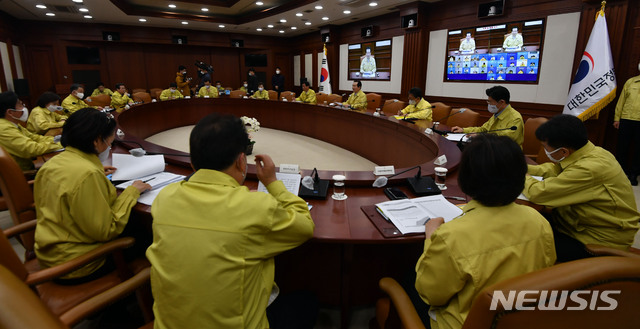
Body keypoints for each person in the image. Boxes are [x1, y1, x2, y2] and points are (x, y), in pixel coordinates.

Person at [146, 113, 315, 329]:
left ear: (192, 162)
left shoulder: (165, 199)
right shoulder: (255, 206)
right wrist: (273, 183)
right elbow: (305, 226)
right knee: (306, 302)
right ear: (241, 160)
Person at [413, 134, 555, 329]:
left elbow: (430, 295)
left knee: (406, 285)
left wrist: (431, 235)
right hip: (520, 319)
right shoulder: (539, 221)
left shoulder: (451, 236)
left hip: (464, 323)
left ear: (465, 179)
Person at [34, 108, 151, 282]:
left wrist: (95, 170)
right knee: (149, 235)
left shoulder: (54, 162)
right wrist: (132, 191)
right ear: (97, 141)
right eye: (110, 142)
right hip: (78, 264)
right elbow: (107, 230)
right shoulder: (87, 175)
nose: (110, 147)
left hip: (52, 250)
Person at [522, 115, 640, 262]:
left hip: (595, 240)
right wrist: (522, 168)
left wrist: (520, 176)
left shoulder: (590, 169)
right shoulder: (592, 152)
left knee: (525, 243)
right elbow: (555, 170)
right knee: (527, 222)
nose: (545, 151)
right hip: (575, 223)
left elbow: (538, 193)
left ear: (564, 151)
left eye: (546, 148)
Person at [0, 91, 62, 171]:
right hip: (25, 174)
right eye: (20, 104)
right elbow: (31, 149)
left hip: (29, 166)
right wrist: (59, 144)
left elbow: (34, 137)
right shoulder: (4, 128)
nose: (24, 107)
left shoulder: (12, 124)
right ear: (10, 112)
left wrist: (58, 139)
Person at [451, 86, 524, 147]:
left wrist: (481, 137)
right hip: (492, 149)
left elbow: (505, 140)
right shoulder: (497, 113)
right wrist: (463, 130)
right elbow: (483, 129)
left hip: (508, 154)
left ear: (502, 102)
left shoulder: (515, 118)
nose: (488, 104)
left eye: (490, 101)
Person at [613, 63, 640, 185]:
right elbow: (621, 101)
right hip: (626, 119)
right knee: (622, 147)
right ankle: (621, 173)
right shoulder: (630, 82)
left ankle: (634, 174)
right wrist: (617, 118)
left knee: (638, 150)